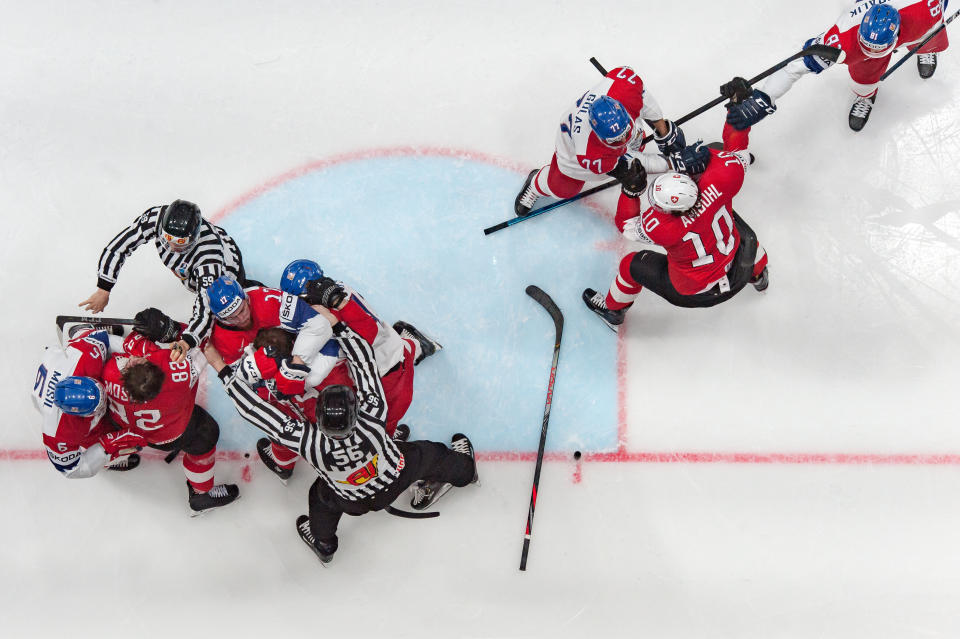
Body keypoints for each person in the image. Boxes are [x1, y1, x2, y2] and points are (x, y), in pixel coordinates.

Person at [204, 307, 478, 565]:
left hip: (349, 498)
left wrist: (221, 368)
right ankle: (465, 472)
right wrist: (341, 326)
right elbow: (365, 367)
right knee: (430, 455)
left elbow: (255, 411)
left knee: (321, 501)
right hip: (396, 474)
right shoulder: (373, 414)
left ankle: (323, 543)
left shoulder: (310, 443)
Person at [582, 78, 770, 330]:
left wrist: (630, 190)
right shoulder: (724, 177)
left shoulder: (660, 225)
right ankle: (759, 276)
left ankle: (613, 310)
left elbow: (627, 226)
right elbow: (736, 151)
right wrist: (736, 109)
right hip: (739, 264)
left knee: (630, 266)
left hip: (696, 291)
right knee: (742, 231)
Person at [78, 199, 259, 361]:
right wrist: (104, 287)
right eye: (168, 239)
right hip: (195, 269)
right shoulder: (156, 218)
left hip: (225, 272)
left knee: (227, 310)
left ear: (194, 238)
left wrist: (188, 340)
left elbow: (205, 308)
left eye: (180, 244)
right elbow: (119, 246)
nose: (172, 247)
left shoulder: (208, 259)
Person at [730, 0, 950, 132]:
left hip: (915, 26)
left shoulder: (925, 9)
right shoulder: (841, 38)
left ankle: (926, 51)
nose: (871, 50)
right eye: (868, 45)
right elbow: (794, 67)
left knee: (929, 37)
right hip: (862, 48)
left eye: (876, 48)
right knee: (864, 79)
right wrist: (765, 96)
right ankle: (866, 95)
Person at [102, 308, 239, 514]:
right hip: (171, 435)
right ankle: (201, 494)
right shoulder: (178, 372)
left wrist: (135, 333)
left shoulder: (109, 371)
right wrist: (172, 329)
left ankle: (115, 458)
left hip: (126, 428)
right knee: (206, 434)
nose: (134, 360)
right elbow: (205, 343)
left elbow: (129, 344)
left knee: (103, 427)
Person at [513, 65, 689, 216]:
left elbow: (642, 97)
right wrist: (672, 163)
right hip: (574, 158)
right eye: (615, 140)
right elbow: (630, 162)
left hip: (602, 147)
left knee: (636, 141)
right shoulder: (590, 153)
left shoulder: (624, 87)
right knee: (562, 189)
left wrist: (662, 129)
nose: (622, 140)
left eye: (624, 133)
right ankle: (535, 182)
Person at [32, 326, 143, 477]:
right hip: (53, 397)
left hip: (59, 359)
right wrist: (105, 449)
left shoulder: (85, 359)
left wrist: (133, 354)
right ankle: (110, 460)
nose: (106, 401)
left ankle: (79, 330)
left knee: (86, 337)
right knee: (116, 445)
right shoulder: (59, 432)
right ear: (76, 414)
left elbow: (104, 339)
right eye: (98, 407)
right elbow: (73, 470)